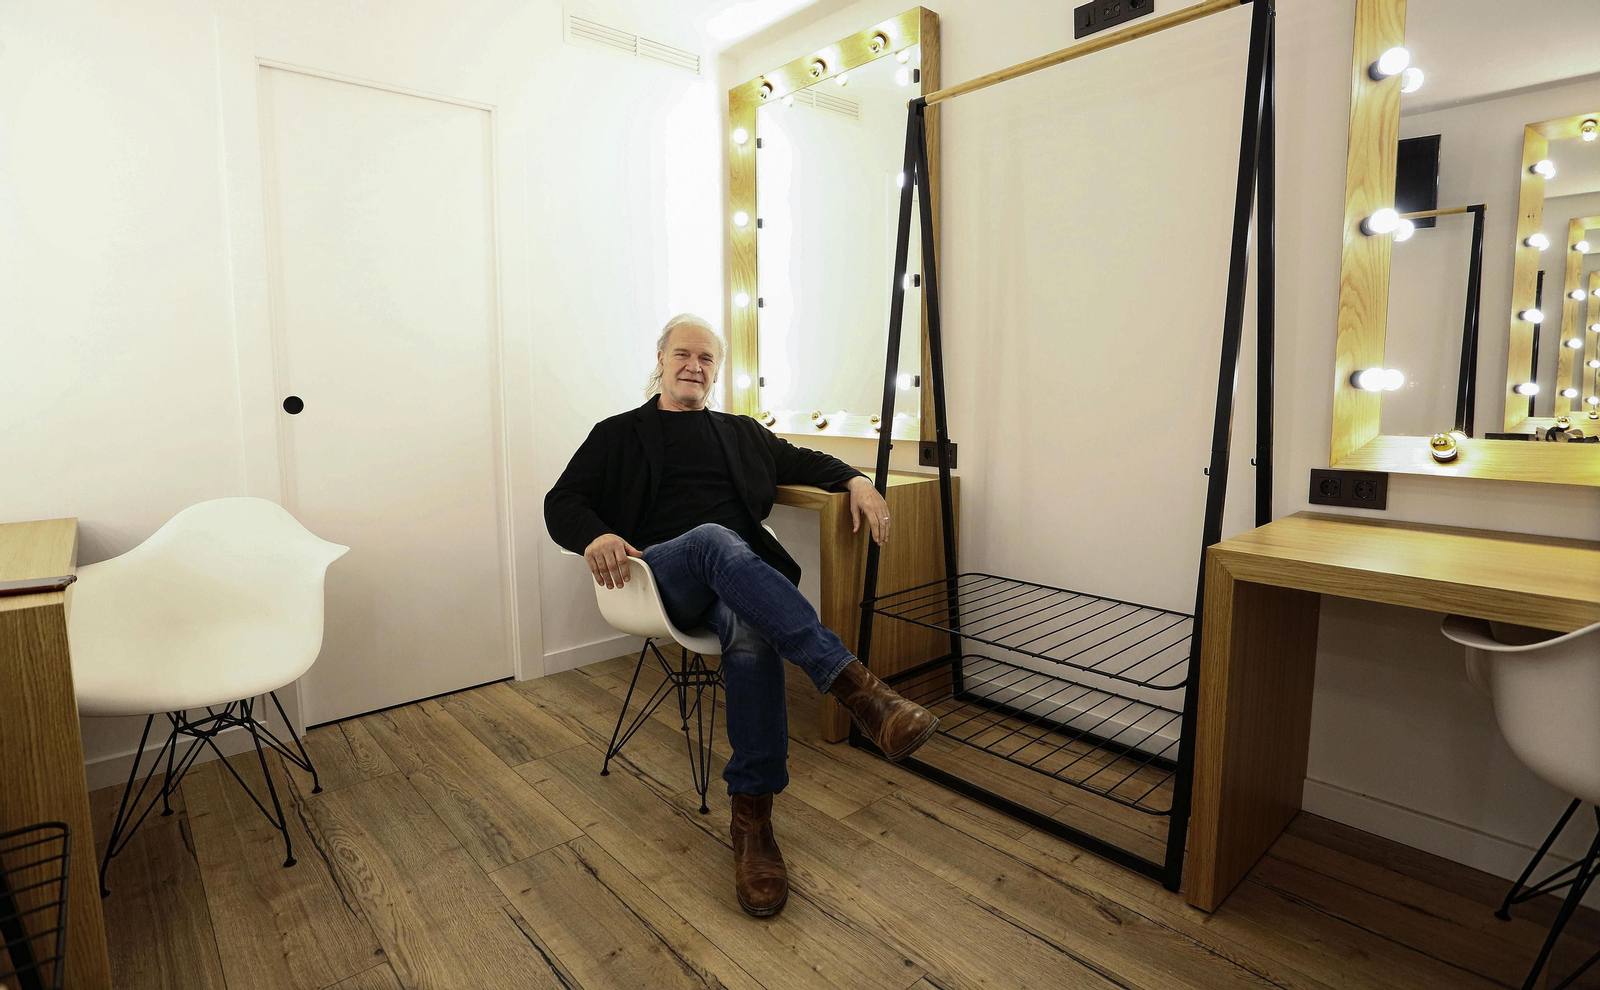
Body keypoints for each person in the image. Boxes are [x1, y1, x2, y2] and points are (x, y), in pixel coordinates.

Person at [545, 313, 938, 918]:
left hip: (735, 586)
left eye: (706, 359)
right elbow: (561, 502)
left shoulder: (740, 432)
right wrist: (595, 533)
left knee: (752, 630)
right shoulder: (617, 433)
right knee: (711, 538)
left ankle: (753, 824)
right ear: (660, 359)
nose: (693, 367)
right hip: (661, 578)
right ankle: (859, 690)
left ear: (717, 370)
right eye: (682, 355)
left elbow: (810, 462)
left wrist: (857, 479)